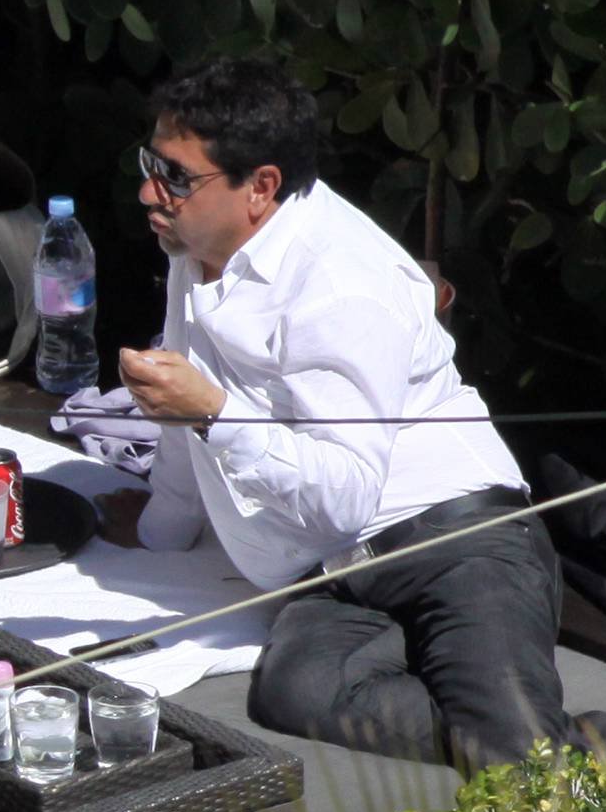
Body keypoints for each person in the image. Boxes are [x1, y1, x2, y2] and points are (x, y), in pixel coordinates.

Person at [118, 57, 574, 770]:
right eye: (151, 164)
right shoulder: (194, 244)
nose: (150, 191)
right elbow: (182, 422)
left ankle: (581, 755)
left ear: (260, 187)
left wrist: (214, 415)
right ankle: (550, 739)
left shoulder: (340, 283)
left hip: (457, 545)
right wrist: (156, 535)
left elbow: (345, 493)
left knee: (515, 757)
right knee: (292, 690)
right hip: (338, 569)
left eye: (176, 177)